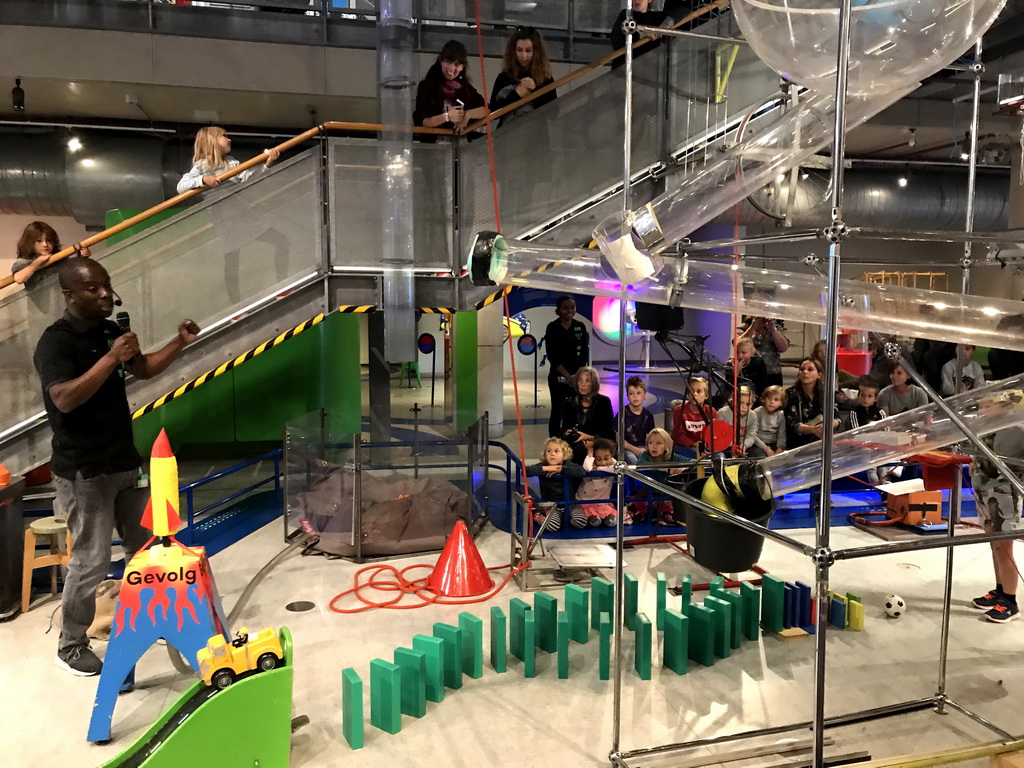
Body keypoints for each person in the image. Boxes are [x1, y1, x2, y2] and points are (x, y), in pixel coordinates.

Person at [34, 259, 200, 676]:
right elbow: (64, 399)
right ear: (70, 295)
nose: (105, 294)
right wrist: (111, 358)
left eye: (107, 286)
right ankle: (71, 643)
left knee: (144, 549)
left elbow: (140, 369)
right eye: (93, 290)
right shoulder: (56, 343)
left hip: (124, 463)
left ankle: (154, 618)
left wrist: (179, 342)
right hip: (83, 472)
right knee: (90, 561)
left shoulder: (111, 331)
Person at [969, 393, 1024, 623]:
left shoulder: (1016, 430)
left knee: (1004, 547)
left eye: (987, 406)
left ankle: (1010, 601)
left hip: (1004, 493)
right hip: (984, 490)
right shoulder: (985, 428)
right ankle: (1000, 589)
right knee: (994, 544)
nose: (982, 411)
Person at [413, 40, 487, 137]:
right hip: (433, 146)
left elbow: (486, 109)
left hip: (462, 146)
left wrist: (467, 115)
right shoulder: (426, 86)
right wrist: (447, 116)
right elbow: (420, 121)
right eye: (448, 62)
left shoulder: (465, 88)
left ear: (462, 67)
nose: (451, 69)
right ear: (441, 61)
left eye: (457, 64)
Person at [176, 126, 279, 195]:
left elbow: (249, 179)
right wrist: (203, 179)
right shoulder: (201, 166)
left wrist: (267, 164)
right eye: (224, 136)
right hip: (217, 212)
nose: (229, 140)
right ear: (212, 141)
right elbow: (181, 187)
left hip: (238, 206)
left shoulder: (232, 162)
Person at [489, 27, 557, 126]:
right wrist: (516, 95)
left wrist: (534, 91)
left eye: (528, 50)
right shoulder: (504, 77)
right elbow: (493, 112)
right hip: (507, 135)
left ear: (536, 52)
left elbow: (553, 113)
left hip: (536, 135)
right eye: (519, 50)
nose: (524, 55)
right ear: (513, 51)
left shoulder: (545, 79)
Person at [543, 295, 590, 437]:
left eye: (572, 307)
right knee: (557, 410)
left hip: (578, 378)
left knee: (576, 409)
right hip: (558, 377)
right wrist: (568, 376)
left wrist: (577, 376)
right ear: (558, 310)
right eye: (565, 308)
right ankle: (554, 440)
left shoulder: (580, 327)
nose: (569, 310)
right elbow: (552, 356)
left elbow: (584, 353)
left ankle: (573, 438)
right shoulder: (552, 328)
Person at [525, 437, 585, 533]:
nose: (552, 454)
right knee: (553, 526)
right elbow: (526, 471)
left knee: (581, 522)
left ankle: (565, 518)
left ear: (564, 455)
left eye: (556, 451)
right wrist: (546, 469)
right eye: (549, 451)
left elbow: (581, 472)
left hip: (570, 504)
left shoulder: (568, 465)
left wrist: (560, 469)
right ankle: (536, 514)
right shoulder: (543, 465)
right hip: (551, 505)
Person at [559, 366, 615, 466]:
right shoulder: (569, 403)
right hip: (575, 442)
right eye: (580, 380)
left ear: (594, 383)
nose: (583, 384)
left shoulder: (604, 402)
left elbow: (608, 432)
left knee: (581, 451)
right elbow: (563, 428)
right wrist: (566, 432)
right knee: (574, 450)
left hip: (598, 441)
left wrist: (589, 437)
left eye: (587, 381)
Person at [12, 221, 91, 289]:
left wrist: (84, 254)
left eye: (49, 240)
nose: (45, 244)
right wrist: (37, 263)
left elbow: (76, 269)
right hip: (40, 305)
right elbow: (19, 278)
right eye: (39, 241)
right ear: (30, 243)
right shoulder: (24, 262)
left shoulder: (59, 258)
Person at [629, 428, 683, 525]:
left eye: (659, 443)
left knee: (673, 514)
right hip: (646, 495)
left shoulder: (672, 457)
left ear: (667, 445)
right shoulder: (645, 455)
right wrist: (666, 469)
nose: (654, 446)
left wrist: (683, 469)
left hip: (665, 495)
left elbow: (693, 462)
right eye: (650, 443)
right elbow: (641, 464)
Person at [784, 357, 840, 449]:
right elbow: (794, 424)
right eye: (802, 369)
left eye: (810, 369)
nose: (805, 372)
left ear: (819, 374)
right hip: (798, 441)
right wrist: (813, 430)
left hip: (822, 436)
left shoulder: (826, 393)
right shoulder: (790, 393)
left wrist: (827, 425)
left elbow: (837, 418)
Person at [569, 437, 618, 529]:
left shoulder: (612, 465)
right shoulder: (591, 464)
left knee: (612, 521)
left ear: (612, 456)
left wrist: (599, 469)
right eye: (599, 459)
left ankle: (606, 517)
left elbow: (619, 469)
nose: (603, 462)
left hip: (603, 503)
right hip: (585, 502)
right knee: (594, 521)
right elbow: (587, 468)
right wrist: (590, 450)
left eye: (606, 458)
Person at [849, 377, 886, 484]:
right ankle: (880, 490)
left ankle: (887, 488)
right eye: (863, 395)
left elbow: (885, 429)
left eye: (869, 396)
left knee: (883, 467)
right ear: (858, 396)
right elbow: (856, 432)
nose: (866, 399)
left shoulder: (880, 412)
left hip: (879, 445)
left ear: (875, 398)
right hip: (863, 446)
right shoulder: (854, 412)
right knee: (871, 468)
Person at [737, 316, 789, 388]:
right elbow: (736, 344)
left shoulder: (775, 327)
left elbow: (783, 348)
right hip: (750, 373)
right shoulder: (745, 326)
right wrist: (752, 327)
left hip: (772, 373)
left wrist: (773, 330)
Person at [671, 376, 715, 458]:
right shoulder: (679, 410)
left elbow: (714, 434)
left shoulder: (711, 412)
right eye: (691, 390)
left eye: (699, 391)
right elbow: (679, 436)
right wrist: (695, 444)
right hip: (685, 447)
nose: (694, 394)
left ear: (706, 395)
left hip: (706, 448)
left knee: (720, 457)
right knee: (696, 455)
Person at [718, 338, 768, 407]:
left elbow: (763, 384)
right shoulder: (730, 364)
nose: (740, 356)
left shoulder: (758, 363)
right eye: (737, 352)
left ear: (752, 353)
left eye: (744, 353)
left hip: (754, 397)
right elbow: (728, 387)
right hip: (735, 398)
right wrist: (736, 373)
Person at [622, 375, 655, 464]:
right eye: (631, 394)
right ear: (628, 396)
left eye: (638, 393)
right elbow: (618, 439)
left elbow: (652, 437)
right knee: (634, 461)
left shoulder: (648, 415)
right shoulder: (622, 414)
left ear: (645, 395)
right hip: (627, 449)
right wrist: (635, 450)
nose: (635, 396)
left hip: (643, 448)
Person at [718, 387, 758, 457]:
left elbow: (751, 435)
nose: (744, 407)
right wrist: (733, 447)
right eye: (740, 403)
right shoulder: (722, 413)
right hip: (725, 447)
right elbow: (719, 435)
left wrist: (744, 445)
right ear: (733, 401)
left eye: (748, 404)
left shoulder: (753, 416)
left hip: (744, 447)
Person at [751, 385, 787, 457]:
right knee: (762, 459)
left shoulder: (780, 415)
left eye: (776, 400)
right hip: (758, 444)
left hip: (774, 444)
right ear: (764, 399)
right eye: (769, 398)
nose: (772, 402)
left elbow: (782, 435)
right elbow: (753, 434)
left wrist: (780, 449)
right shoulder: (757, 412)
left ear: (781, 403)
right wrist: (766, 449)